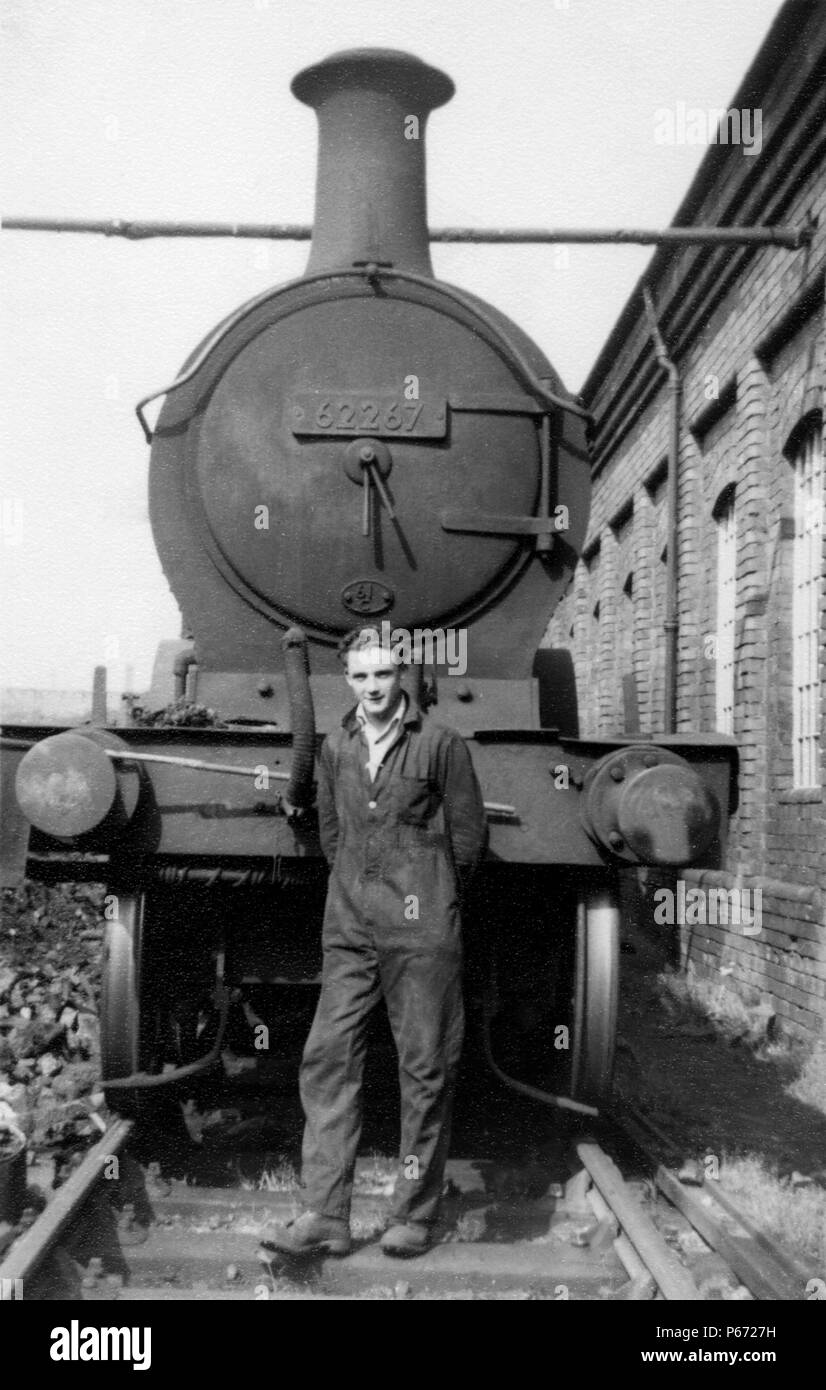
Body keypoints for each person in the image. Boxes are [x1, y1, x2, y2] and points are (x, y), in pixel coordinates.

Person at [269, 626, 487, 1258]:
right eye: (362, 676)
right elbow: (333, 835)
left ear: (403, 678)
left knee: (425, 1065)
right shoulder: (336, 747)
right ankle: (324, 1214)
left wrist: (433, 896)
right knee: (328, 1056)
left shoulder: (441, 745)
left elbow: (468, 840)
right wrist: (360, 896)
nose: (373, 687)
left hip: (422, 930)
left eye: (384, 675)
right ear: (349, 681)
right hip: (350, 926)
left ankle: (414, 1213)